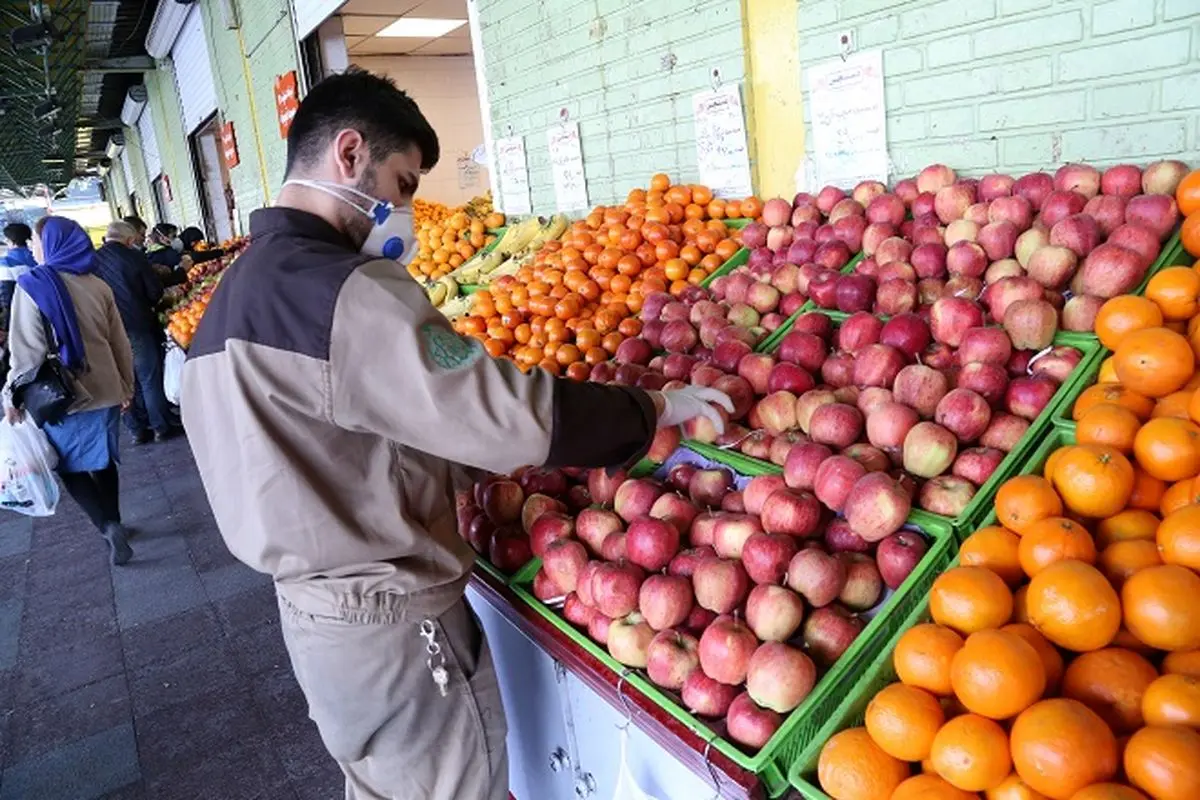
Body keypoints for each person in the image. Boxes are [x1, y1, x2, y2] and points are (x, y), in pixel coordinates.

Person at [180, 67, 730, 800]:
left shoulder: (230, 304)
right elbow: (501, 412)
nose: (405, 211)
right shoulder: (339, 292)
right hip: (397, 628)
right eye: (403, 185)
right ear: (350, 155)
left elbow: (336, 442)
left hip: (318, 626)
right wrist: (653, 410)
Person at [3, 217, 135, 565]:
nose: (33, 247)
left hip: (62, 396)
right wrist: (127, 386)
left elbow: (25, 353)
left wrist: (10, 397)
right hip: (106, 389)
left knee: (69, 468)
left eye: (36, 240)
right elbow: (119, 342)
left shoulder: (31, 286)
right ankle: (116, 520)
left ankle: (107, 526)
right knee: (104, 460)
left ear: (52, 244)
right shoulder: (98, 285)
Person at [93, 220, 177, 444]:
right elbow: (154, 291)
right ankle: (161, 426)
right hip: (137, 324)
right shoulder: (134, 256)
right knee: (148, 377)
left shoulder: (92, 260)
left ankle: (137, 430)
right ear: (129, 240)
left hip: (107, 330)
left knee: (123, 379)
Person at [0, 222, 37, 350]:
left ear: (11, 240)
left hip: (18, 316)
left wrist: (5, 327)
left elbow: (6, 296)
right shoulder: (37, 258)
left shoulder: (6, 263)